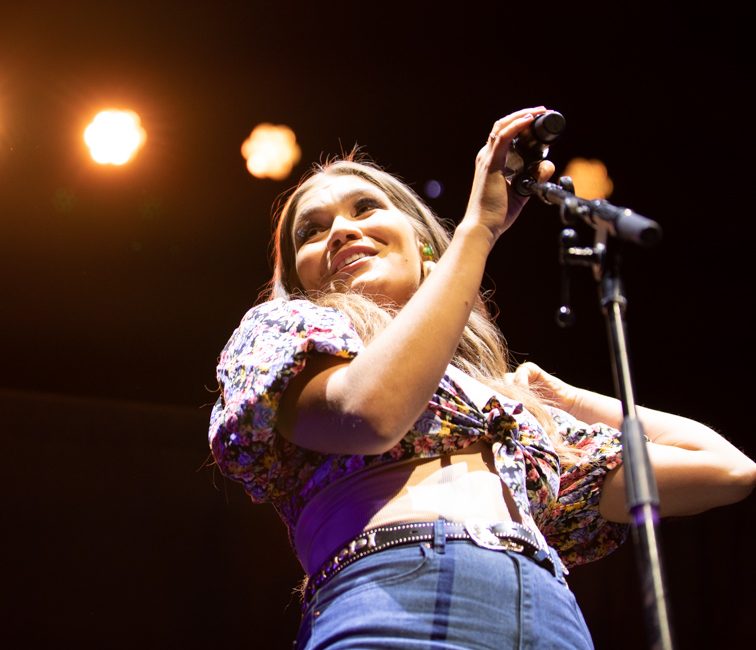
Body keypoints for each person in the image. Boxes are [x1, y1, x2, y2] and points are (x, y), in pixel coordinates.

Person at [208, 107, 756, 649]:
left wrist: (570, 400)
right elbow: (369, 416)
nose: (343, 231)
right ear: (299, 275)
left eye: (366, 208)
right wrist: (480, 226)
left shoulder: (514, 420)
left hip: (551, 614)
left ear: (422, 244)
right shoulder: (286, 336)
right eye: (312, 230)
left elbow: (729, 469)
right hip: (395, 589)